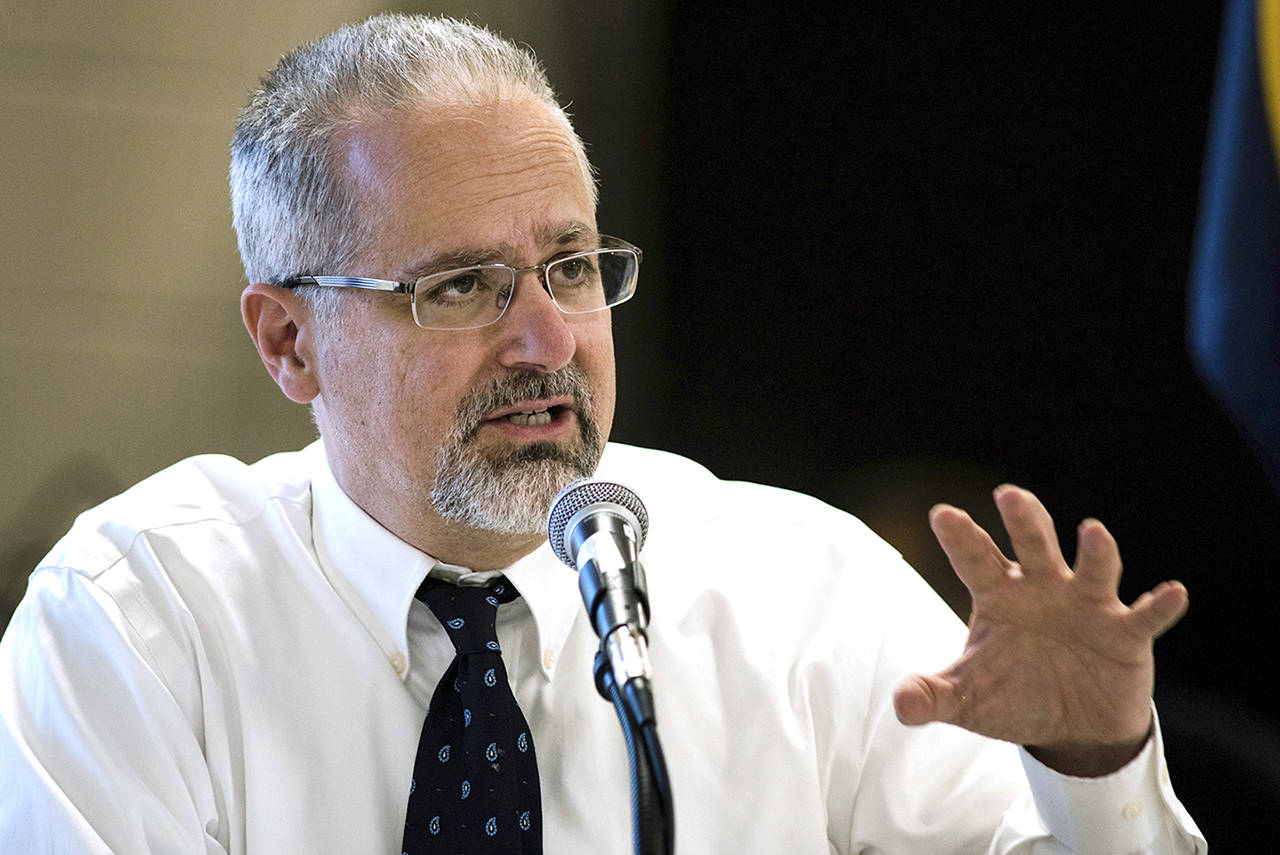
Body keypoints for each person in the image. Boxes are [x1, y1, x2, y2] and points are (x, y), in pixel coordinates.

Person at [0, 13, 1206, 854]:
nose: (546, 339)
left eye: (570, 267)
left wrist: (1091, 768)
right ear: (288, 342)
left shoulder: (800, 594)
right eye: (461, 286)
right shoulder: (138, 620)